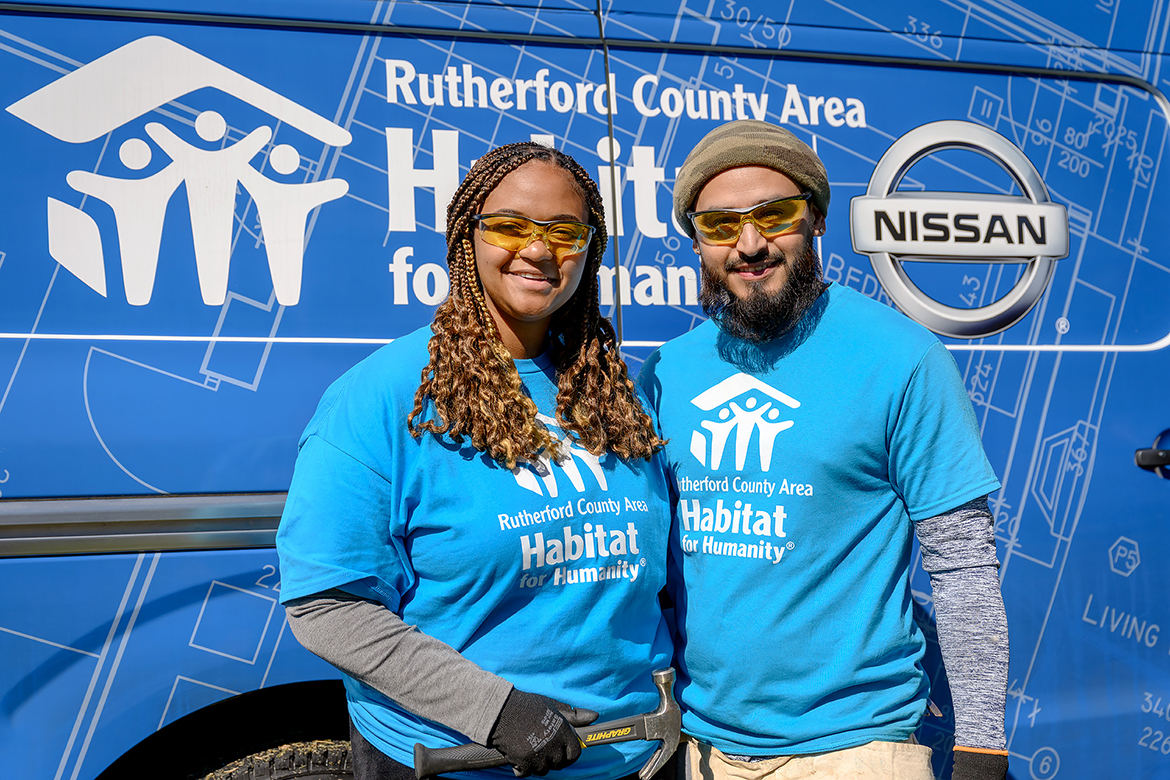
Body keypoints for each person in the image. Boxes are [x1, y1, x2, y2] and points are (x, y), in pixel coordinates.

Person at [276, 142, 674, 780]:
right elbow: (327, 606)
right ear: (469, 237)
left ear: (591, 249)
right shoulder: (381, 396)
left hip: (634, 759)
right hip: (459, 760)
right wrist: (499, 712)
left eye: (564, 232)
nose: (539, 251)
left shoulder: (616, 390)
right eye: (511, 227)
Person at [636, 120, 1009, 780]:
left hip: (856, 751)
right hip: (705, 751)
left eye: (774, 215)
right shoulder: (666, 373)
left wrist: (981, 748)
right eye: (720, 225)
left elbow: (963, 566)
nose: (749, 244)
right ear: (696, 241)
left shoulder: (901, 357)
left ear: (816, 220)